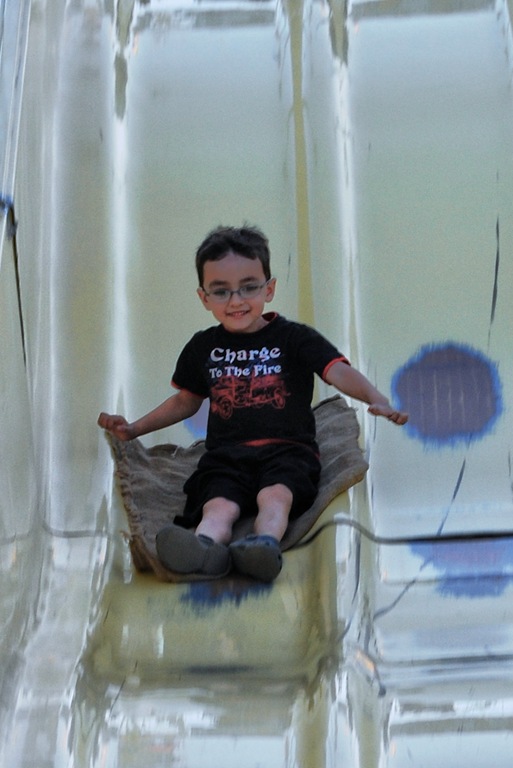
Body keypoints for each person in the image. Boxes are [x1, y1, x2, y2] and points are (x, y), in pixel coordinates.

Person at [98, 225, 408, 582]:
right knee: (218, 505)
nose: (236, 301)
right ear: (204, 298)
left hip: (287, 451)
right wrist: (134, 428)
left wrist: (376, 398)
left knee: (276, 497)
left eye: (249, 287)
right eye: (221, 291)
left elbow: (337, 371)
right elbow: (185, 401)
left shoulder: (293, 338)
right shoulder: (203, 347)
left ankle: (263, 546)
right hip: (226, 456)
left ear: (269, 289)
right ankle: (203, 549)